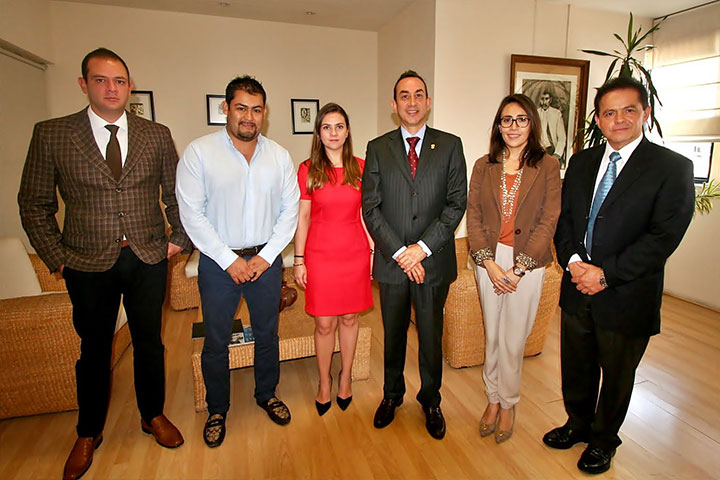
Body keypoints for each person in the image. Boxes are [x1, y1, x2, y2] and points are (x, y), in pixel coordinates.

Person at [18, 47, 190, 480]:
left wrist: (177, 240)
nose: (111, 88)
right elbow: (34, 203)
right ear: (84, 84)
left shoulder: (155, 134)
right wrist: (57, 258)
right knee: (94, 349)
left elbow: (177, 194)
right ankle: (88, 431)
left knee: (150, 343)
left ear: (129, 87)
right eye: (100, 80)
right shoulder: (53, 134)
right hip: (86, 262)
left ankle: (153, 415)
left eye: (119, 81)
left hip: (147, 257)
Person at [544, 76, 695, 474]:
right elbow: (565, 220)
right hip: (577, 285)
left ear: (645, 113)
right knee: (576, 366)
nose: (619, 119)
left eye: (629, 110)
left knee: (617, 374)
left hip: (626, 294)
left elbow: (663, 237)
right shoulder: (581, 162)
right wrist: (573, 263)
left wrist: (605, 274)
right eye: (609, 113)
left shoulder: (672, 168)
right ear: (598, 119)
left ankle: (603, 440)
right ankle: (577, 424)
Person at [176, 75, 299, 448]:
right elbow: (191, 214)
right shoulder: (199, 153)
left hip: (265, 261)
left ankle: (267, 394)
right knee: (216, 340)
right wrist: (229, 260)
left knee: (267, 333)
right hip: (218, 263)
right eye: (241, 108)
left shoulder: (279, 157)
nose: (249, 117)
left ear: (265, 113)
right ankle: (217, 408)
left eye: (256, 110)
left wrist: (265, 257)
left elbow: (289, 212)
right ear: (225, 108)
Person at [362, 70, 467, 439]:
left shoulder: (450, 145)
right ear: (394, 105)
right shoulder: (378, 147)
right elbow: (370, 207)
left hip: (433, 261)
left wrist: (420, 250)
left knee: (430, 335)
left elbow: (456, 204)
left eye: (418, 94)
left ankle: (431, 400)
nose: (412, 101)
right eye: (404, 95)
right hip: (392, 264)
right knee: (393, 334)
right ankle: (392, 395)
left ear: (428, 102)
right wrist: (399, 253)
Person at [467, 94, 561, 444]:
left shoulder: (547, 166)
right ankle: (492, 398)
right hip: (489, 261)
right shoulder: (484, 165)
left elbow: (549, 219)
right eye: (506, 120)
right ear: (498, 126)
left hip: (528, 264)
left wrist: (519, 269)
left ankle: (508, 402)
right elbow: (474, 215)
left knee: (513, 338)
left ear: (532, 124)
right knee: (492, 335)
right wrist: (488, 263)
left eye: (521, 119)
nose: (513, 126)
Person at [293, 103, 374, 416]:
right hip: (320, 254)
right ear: (318, 133)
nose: (334, 133)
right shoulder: (308, 169)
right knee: (324, 323)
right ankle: (324, 380)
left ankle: (346, 377)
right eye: (327, 127)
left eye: (339, 126)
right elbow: (303, 217)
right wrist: (299, 260)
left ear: (348, 131)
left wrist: (372, 253)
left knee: (350, 319)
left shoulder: (361, 167)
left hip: (354, 253)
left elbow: (366, 215)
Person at [538, 90, 567, 164]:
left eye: (546, 99)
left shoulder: (556, 114)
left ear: (550, 100)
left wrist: (557, 155)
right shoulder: (535, 113)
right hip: (539, 151)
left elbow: (562, 137)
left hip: (553, 150)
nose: (544, 102)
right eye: (542, 99)